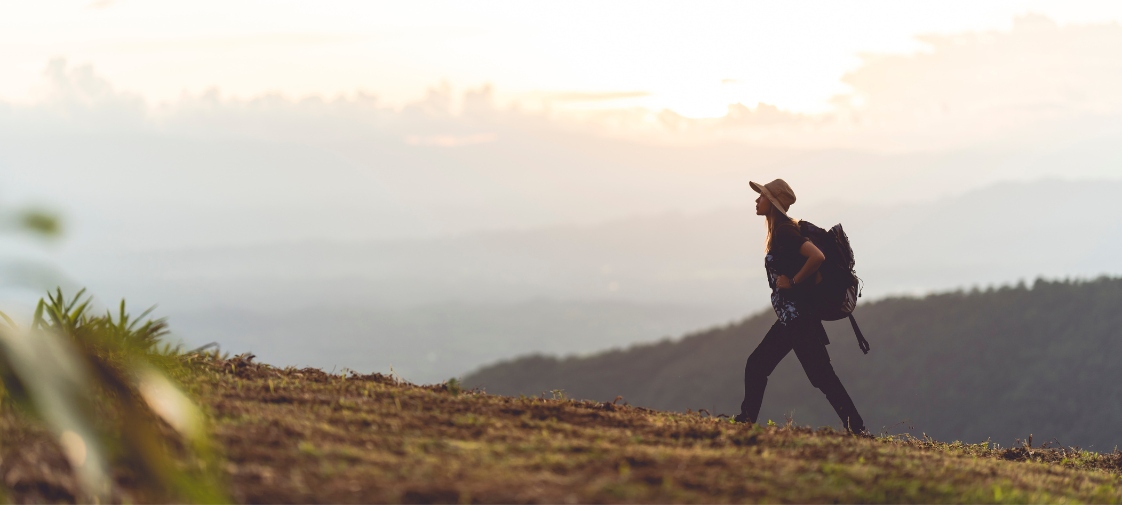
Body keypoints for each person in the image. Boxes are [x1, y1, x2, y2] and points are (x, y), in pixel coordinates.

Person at [734, 179, 866, 434]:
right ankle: (746, 419)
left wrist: (792, 282)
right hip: (793, 318)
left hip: (798, 319)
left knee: (817, 376)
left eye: (761, 196)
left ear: (772, 203)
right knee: (775, 368)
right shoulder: (781, 231)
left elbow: (817, 256)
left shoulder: (785, 231)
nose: (756, 200)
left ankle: (858, 428)